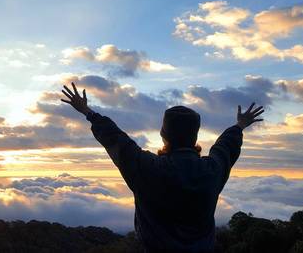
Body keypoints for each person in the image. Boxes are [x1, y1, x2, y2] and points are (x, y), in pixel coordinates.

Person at [60, 82, 264, 252]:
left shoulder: (146, 168)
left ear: (163, 135)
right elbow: (225, 148)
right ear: (195, 136)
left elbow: (117, 140)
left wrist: (87, 111)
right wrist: (240, 125)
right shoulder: (212, 171)